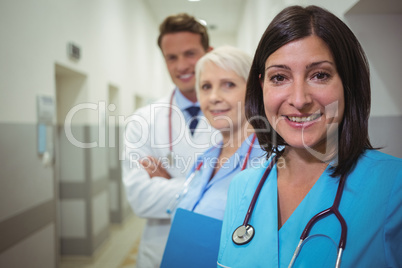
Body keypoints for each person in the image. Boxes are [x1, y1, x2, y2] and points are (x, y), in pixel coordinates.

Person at [217, 5, 402, 268]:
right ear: (262, 87)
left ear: (348, 83)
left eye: (319, 75)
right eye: (279, 77)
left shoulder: (394, 188)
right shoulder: (242, 188)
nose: (299, 99)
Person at [122, 13, 217, 268]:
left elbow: (244, 196)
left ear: (209, 53)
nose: (181, 66)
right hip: (160, 252)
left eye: (190, 54)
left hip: (218, 250)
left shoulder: (241, 117)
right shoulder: (142, 121)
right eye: (171, 57)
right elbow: (140, 199)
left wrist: (172, 184)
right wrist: (212, 186)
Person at [170, 46, 265, 220]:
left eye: (229, 84)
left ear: (254, 90)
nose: (213, 97)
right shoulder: (205, 159)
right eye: (206, 87)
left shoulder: (271, 162)